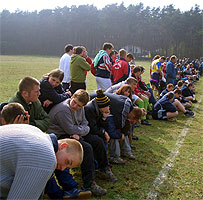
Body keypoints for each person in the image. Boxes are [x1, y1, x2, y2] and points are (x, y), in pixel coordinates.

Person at [1, 103, 91, 200]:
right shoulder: (47, 156)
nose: (62, 168)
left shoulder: (37, 133)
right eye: (67, 162)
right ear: (63, 146)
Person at [47, 89, 108, 197]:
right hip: (59, 136)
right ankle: (88, 184)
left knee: (97, 141)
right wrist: (80, 130)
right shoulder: (63, 109)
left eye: (79, 105)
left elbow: (86, 124)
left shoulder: (81, 109)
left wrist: (79, 132)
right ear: (72, 97)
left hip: (74, 134)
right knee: (86, 148)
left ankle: (103, 168)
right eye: (74, 102)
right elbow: (71, 129)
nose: (75, 106)